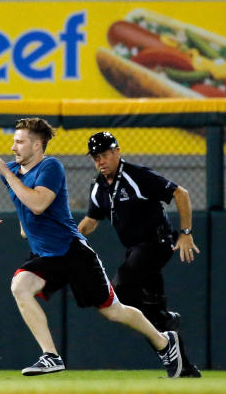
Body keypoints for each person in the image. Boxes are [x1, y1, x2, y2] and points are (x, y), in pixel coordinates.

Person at [0, 117, 188, 378]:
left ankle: (164, 343)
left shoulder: (50, 167)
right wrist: (27, 227)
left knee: (114, 311)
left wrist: (7, 174)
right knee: (20, 286)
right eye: (14, 141)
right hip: (47, 255)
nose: (13, 147)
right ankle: (50, 356)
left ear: (37, 146)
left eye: (20, 142)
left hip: (73, 252)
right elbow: (26, 208)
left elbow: (38, 204)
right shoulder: (13, 173)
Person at [77, 131, 201, 378]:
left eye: (104, 154)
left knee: (120, 289)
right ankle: (182, 365)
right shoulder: (98, 187)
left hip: (157, 243)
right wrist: (69, 239)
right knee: (148, 316)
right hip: (136, 251)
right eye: (95, 157)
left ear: (116, 152)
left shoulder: (136, 175)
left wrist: (186, 232)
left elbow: (181, 194)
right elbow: (91, 221)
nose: (100, 161)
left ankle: (165, 317)